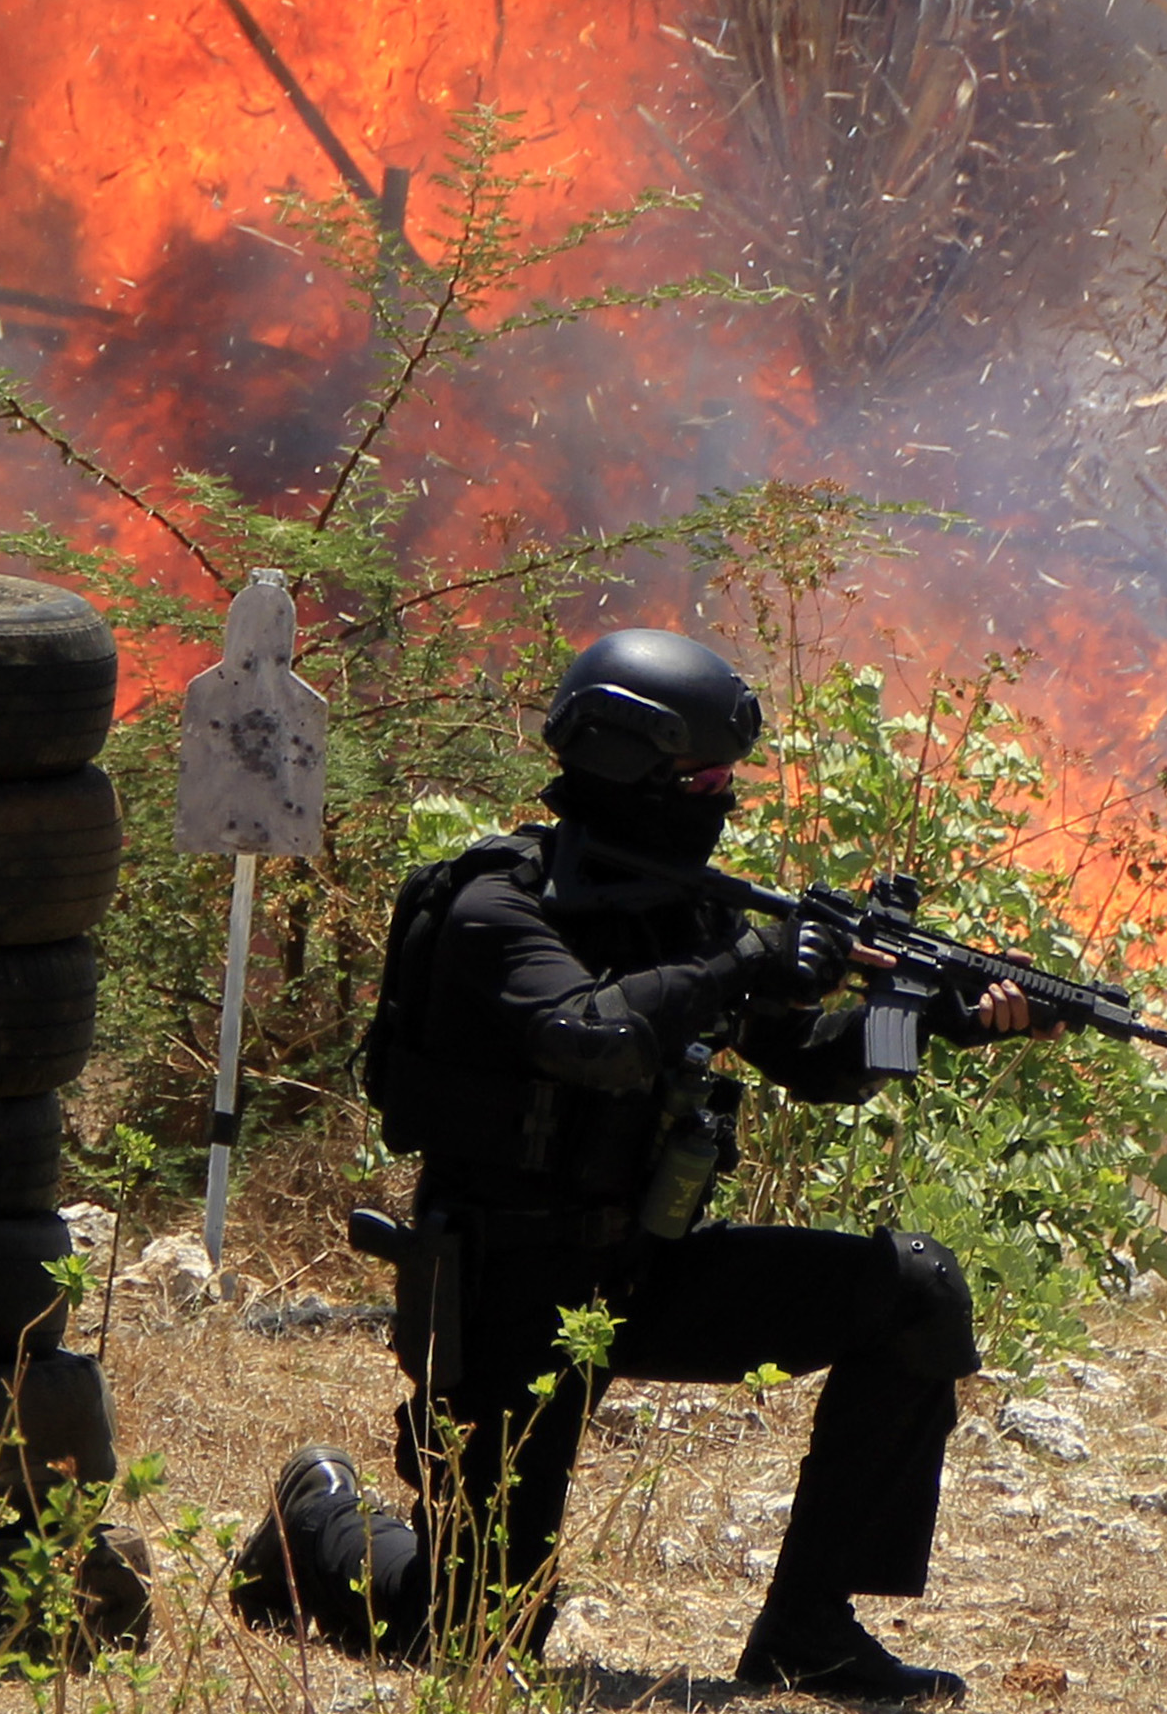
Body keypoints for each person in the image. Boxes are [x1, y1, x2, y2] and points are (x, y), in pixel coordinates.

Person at [233, 628, 1057, 1703]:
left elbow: (815, 1067)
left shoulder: (691, 906)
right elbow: (587, 1035)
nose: (723, 797)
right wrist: (742, 966)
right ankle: (313, 1515)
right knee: (480, 1638)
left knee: (910, 1292)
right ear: (633, 767)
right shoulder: (496, 906)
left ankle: (808, 1632)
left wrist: (919, 1018)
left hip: (648, 1269)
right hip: (506, 1294)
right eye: (707, 777)